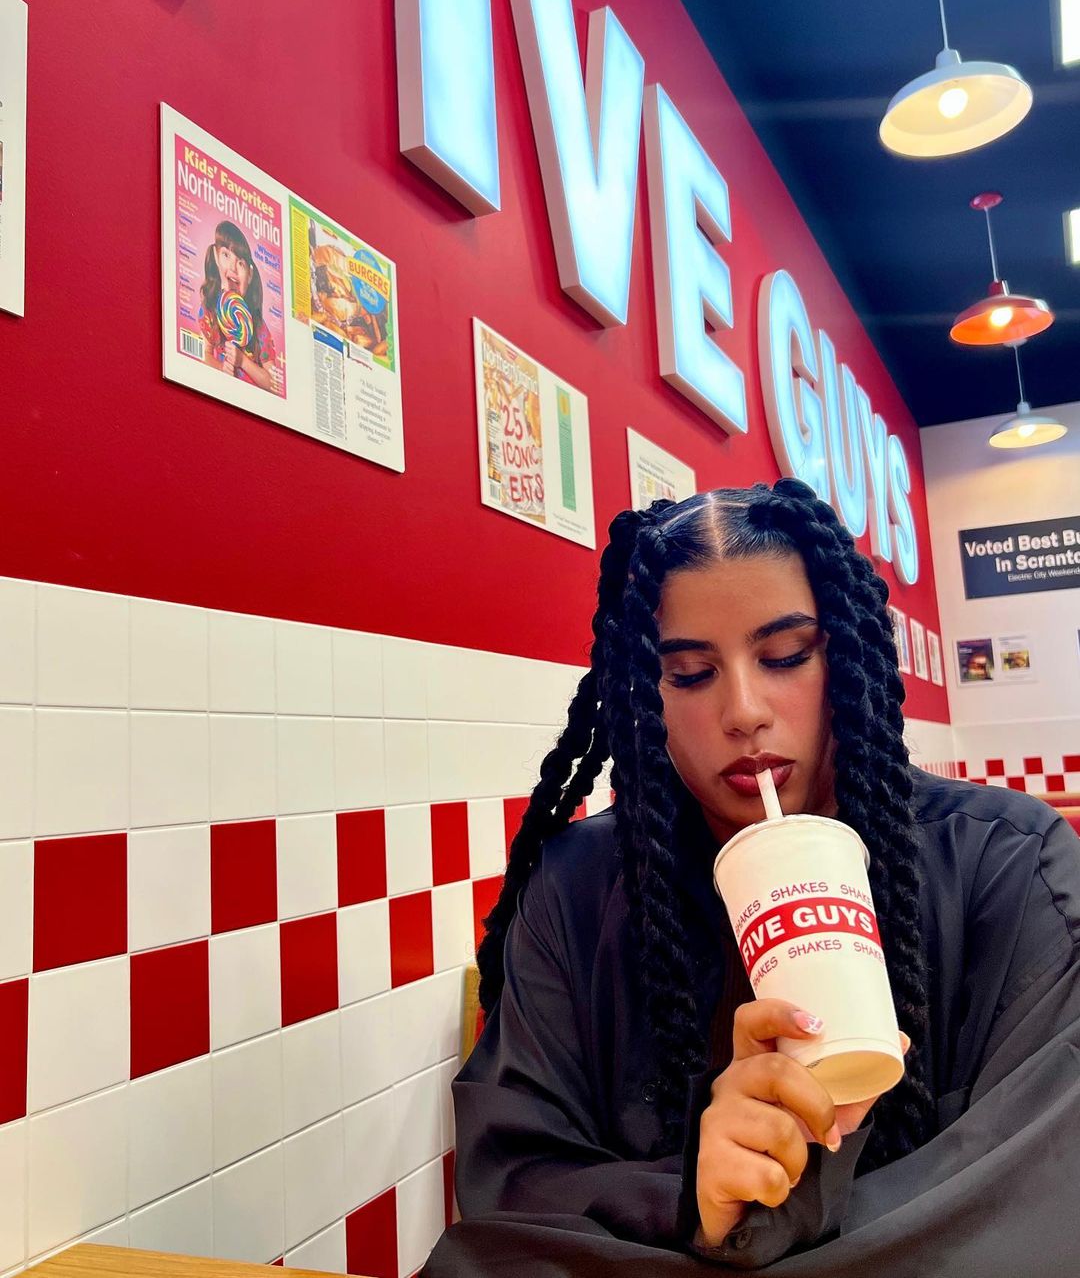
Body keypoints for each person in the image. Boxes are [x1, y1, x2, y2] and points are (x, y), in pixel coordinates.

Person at [423, 479, 1080, 1276]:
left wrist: (754, 1236)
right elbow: (514, 1194)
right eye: (690, 672)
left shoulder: (1009, 864)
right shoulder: (573, 892)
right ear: (645, 695)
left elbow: (1040, 1205)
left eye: (785, 656)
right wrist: (695, 1203)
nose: (744, 709)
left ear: (845, 657)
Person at [198, 220, 279, 393]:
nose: (233, 268)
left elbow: (274, 384)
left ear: (250, 275)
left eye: (241, 263)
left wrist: (242, 360)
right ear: (216, 256)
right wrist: (221, 368)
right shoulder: (209, 310)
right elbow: (205, 354)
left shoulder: (258, 326)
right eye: (226, 255)